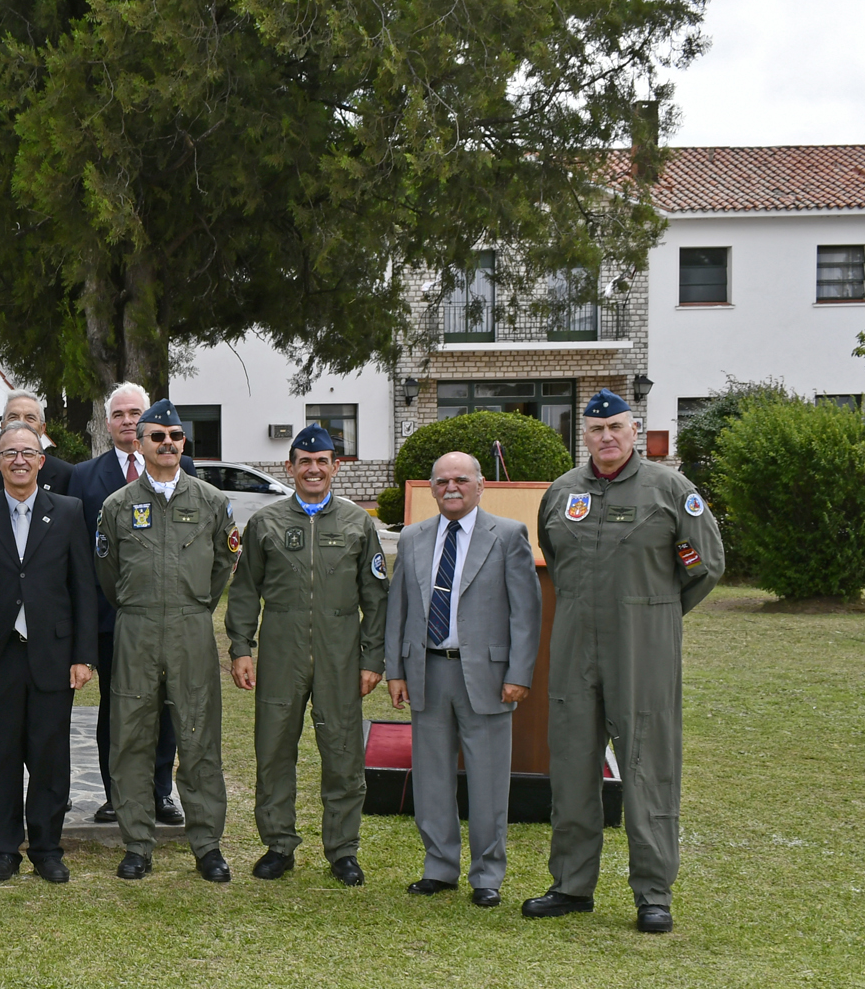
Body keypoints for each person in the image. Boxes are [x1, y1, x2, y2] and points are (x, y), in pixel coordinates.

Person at [523, 389, 722, 934]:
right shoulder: (562, 494)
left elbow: (703, 563)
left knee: (647, 766)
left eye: (616, 427)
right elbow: (556, 556)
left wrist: (655, 613)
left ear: (634, 430)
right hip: (573, 649)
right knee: (570, 765)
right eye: (595, 429)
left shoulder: (669, 490)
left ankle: (653, 893)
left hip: (642, 649)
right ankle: (570, 884)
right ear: (582, 435)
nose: (606, 437)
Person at [227, 423, 388, 886]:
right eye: (304, 461)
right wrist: (241, 648)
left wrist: (372, 658)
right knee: (274, 749)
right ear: (290, 467)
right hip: (281, 648)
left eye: (322, 461)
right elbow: (244, 591)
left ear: (335, 467)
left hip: (340, 653)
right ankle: (278, 844)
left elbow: (376, 598)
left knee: (342, 753)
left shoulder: (358, 523)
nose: (313, 469)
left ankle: (342, 850)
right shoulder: (267, 523)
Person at [385, 451, 541, 908]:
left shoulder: (508, 535)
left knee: (489, 778)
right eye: (442, 481)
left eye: (461, 480)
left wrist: (519, 673)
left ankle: (487, 875)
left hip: (488, 676)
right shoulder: (412, 538)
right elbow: (399, 609)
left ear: (480, 485)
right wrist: (396, 669)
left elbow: (526, 613)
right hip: (427, 670)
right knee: (432, 777)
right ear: (431, 489)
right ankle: (439, 867)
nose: (451, 488)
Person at [93, 401, 239, 882]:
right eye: (158, 436)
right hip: (134, 630)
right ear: (139, 441)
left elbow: (223, 566)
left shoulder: (212, 502)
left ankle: (207, 845)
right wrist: (139, 606)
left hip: (190, 629)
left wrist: (194, 604)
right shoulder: (116, 506)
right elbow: (107, 573)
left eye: (176, 436)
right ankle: (137, 843)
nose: (169, 444)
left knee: (199, 738)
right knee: (132, 738)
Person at [0, 423, 96, 883]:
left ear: (41, 461)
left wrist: (84, 655)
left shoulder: (69, 511)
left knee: (50, 755)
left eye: (28, 452)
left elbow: (83, 589)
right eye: (9, 453)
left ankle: (48, 849)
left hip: (52, 653)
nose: (19, 460)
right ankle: (3, 849)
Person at [69, 382, 194, 827]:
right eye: (118, 414)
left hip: (164, 615)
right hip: (108, 616)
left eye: (134, 413)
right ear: (108, 424)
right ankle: (114, 792)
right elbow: (83, 552)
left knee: (163, 706)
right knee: (115, 709)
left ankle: (160, 791)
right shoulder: (84, 476)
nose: (127, 420)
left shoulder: (183, 467)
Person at [0, 391, 70, 498]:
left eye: (30, 418)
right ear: (2, 426)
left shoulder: (66, 476)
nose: (21, 423)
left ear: (42, 428)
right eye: (13, 417)